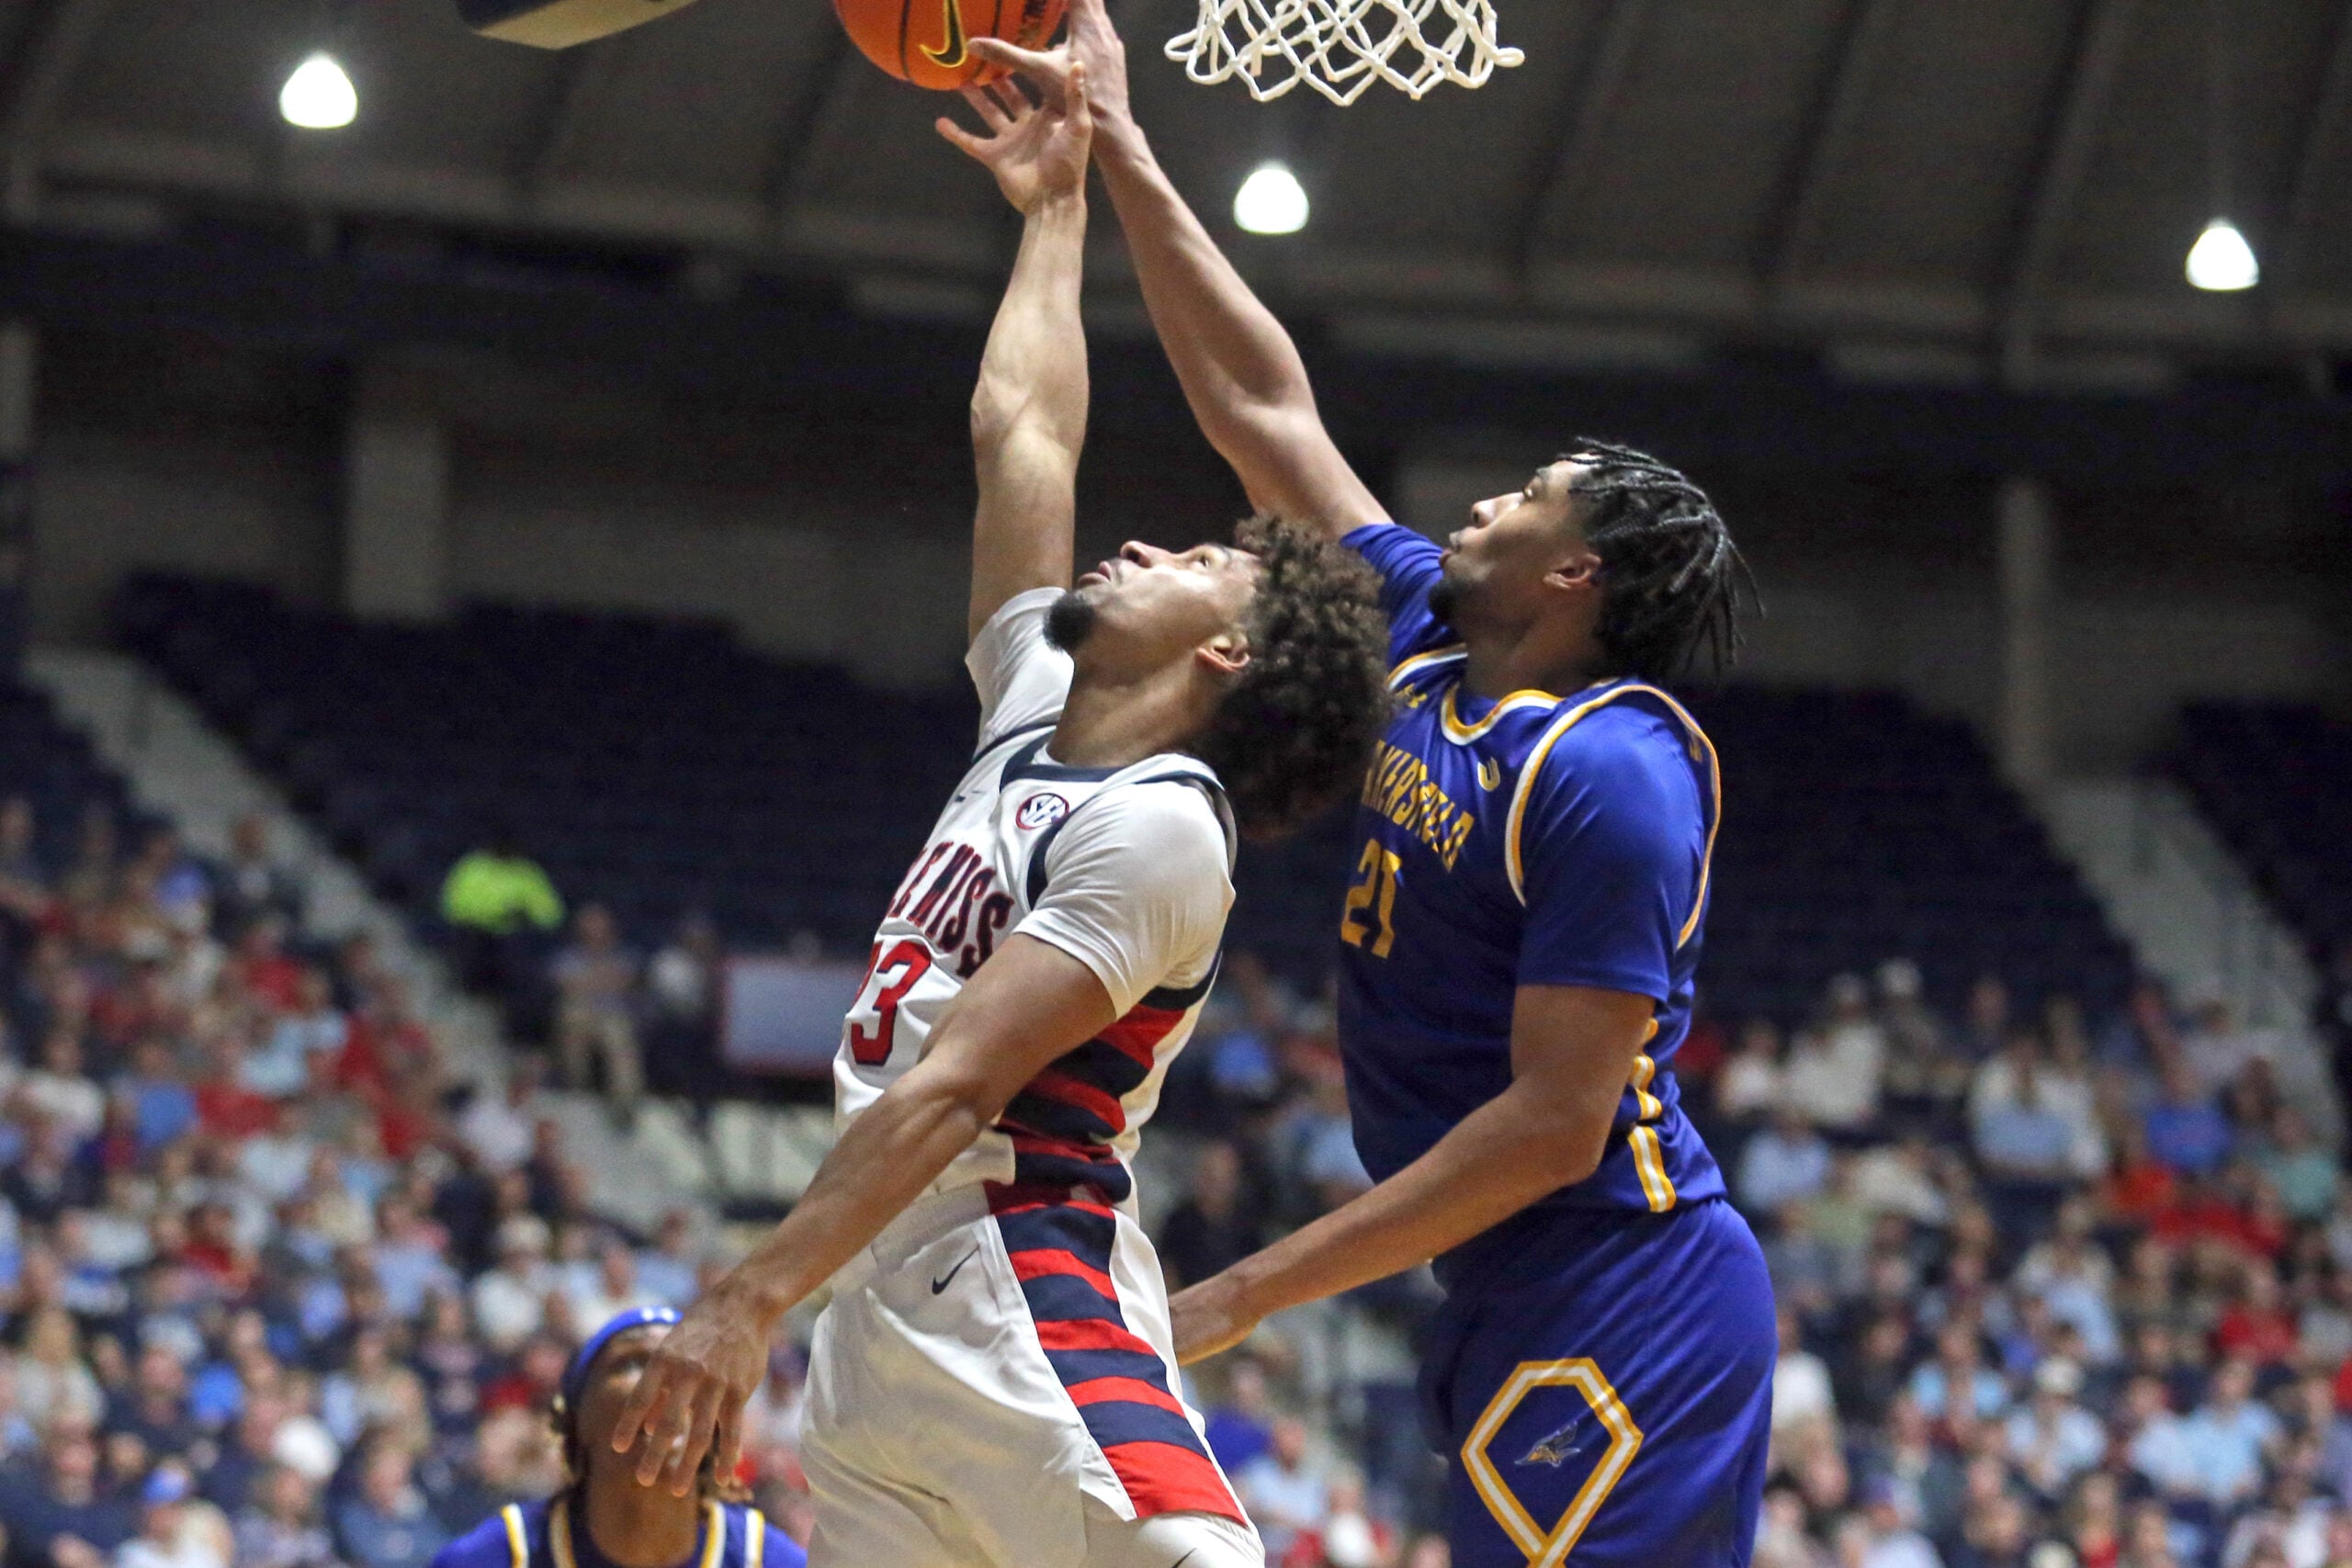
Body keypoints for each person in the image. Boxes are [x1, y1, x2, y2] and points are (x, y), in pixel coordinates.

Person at [961, 9, 1771, 1566]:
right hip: (1502, 1283)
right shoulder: (1423, 635)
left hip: (1624, 1279)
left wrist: (1246, 1291)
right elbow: (1269, 415)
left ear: (1574, 571)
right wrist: (1121, 148)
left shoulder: (1613, 768)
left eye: (1523, 497)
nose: (1480, 500)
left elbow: (1552, 1125)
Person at [601, 58, 1389, 1568]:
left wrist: (747, 1295)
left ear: (1229, 655)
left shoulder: (1164, 828)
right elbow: (1024, 433)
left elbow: (964, 1091)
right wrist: (1055, 209)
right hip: (886, 1333)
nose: (1148, 544)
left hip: (1024, 1295)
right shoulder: (1036, 702)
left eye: (1202, 561)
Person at [431, 1308, 802, 1568]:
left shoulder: (770, 1561)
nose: (670, 1380)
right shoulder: (492, 1557)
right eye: (634, 1362)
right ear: (576, 1421)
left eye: (691, 1368)